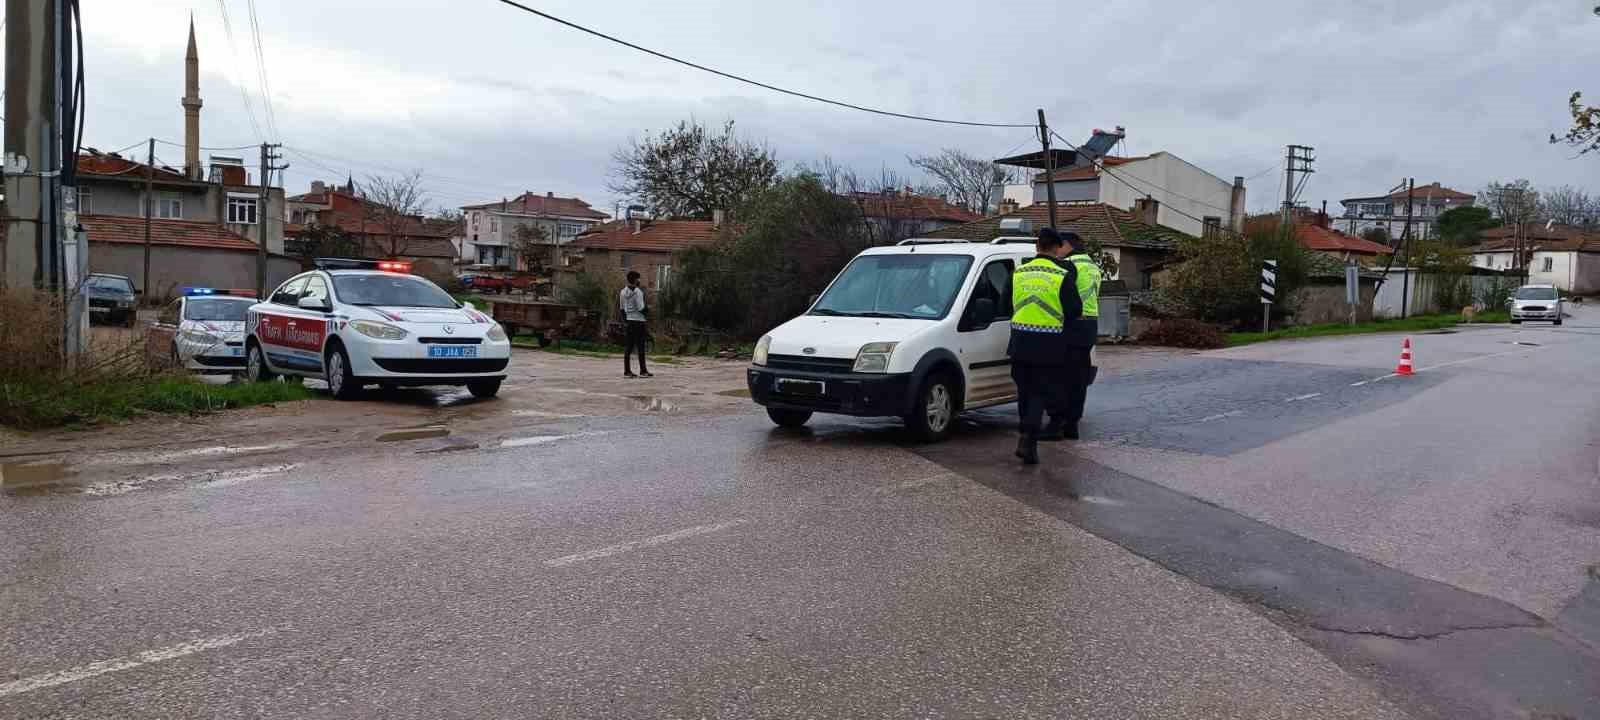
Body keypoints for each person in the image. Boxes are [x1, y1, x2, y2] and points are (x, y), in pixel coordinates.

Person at [1008, 227, 1083, 465]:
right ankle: (1029, 440)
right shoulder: (1062, 274)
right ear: (1056, 248)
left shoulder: (1018, 273)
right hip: (1049, 344)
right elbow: (1075, 311)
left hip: (1019, 341)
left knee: (1024, 392)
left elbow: (1004, 302)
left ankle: (1023, 435)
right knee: (1039, 393)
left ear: (1037, 246)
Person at [1045, 231, 1102, 441]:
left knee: (1060, 377)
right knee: (1079, 379)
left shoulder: (1069, 266)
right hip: (1090, 325)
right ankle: (1072, 425)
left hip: (1071, 324)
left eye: (1058, 246)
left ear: (1066, 245)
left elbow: (1062, 296)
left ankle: (1055, 424)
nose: (1056, 251)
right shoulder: (1093, 266)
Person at [620, 271, 651, 379]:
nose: (640, 281)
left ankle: (627, 371)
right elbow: (641, 308)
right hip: (639, 322)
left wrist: (626, 321)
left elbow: (622, 309)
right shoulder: (638, 292)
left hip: (629, 321)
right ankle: (643, 371)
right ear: (635, 280)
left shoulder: (623, 292)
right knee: (641, 346)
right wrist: (648, 310)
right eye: (639, 279)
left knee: (628, 347)